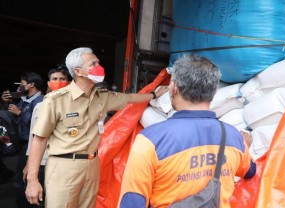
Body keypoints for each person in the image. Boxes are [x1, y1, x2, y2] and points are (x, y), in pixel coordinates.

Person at [25, 47, 168, 208]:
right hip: (64, 166)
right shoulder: (56, 100)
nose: (99, 66)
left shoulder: (102, 97)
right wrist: (32, 179)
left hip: (92, 165)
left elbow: (130, 98)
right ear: (78, 71)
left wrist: (155, 95)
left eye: (98, 62)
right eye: (93, 64)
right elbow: (40, 139)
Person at [120, 54, 256, 208]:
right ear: (213, 91)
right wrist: (244, 145)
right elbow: (250, 172)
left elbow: (131, 202)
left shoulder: (150, 140)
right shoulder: (233, 138)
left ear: (174, 88)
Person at [22, 65, 72, 208]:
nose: (58, 81)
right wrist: (29, 163)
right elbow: (34, 137)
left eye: (62, 79)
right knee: (40, 200)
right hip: (43, 161)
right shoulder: (41, 106)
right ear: (49, 83)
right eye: (54, 79)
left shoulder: (75, 106)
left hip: (64, 163)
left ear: (68, 83)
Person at [1, 72, 44, 208]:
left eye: (22, 84)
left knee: (22, 179)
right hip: (22, 142)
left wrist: (19, 113)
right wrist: (6, 102)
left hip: (31, 144)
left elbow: (39, 124)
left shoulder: (41, 101)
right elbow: (13, 118)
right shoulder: (25, 99)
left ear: (31, 85)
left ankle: (28, 203)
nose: (20, 87)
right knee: (22, 177)